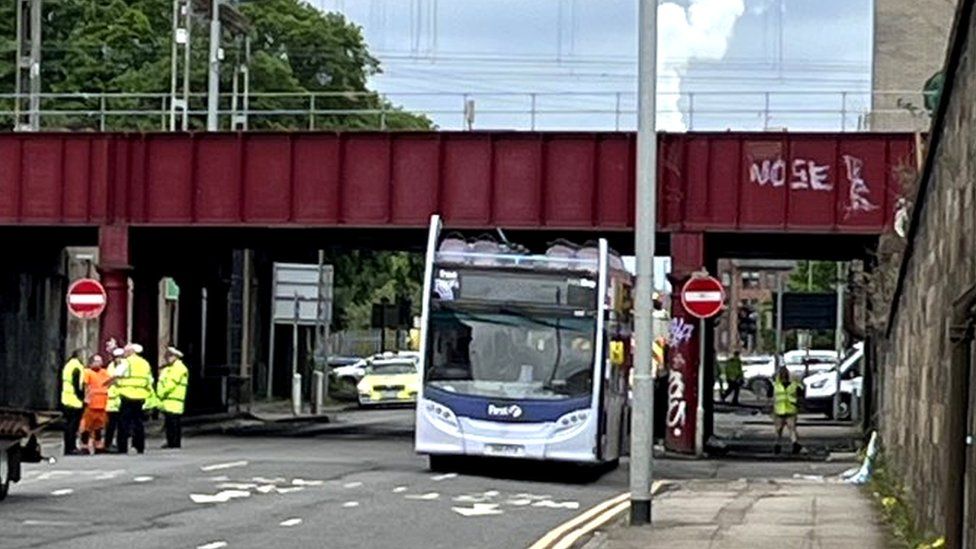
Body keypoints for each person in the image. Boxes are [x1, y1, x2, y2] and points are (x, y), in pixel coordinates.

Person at [110, 343, 153, 454]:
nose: (124, 353)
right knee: (138, 422)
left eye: (125, 351)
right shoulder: (145, 363)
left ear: (130, 352)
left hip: (126, 395)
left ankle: (122, 447)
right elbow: (149, 379)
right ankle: (139, 446)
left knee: (124, 423)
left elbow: (116, 375)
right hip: (140, 395)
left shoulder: (126, 362)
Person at [157, 347, 189, 449]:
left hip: (174, 400)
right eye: (167, 356)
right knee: (169, 423)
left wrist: (160, 393)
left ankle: (174, 443)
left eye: (170, 356)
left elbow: (170, 384)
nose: (168, 358)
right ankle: (171, 441)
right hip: (168, 400)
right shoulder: (169, 369)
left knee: (174, 423)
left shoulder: (179, 368)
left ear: (176, 357)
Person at [80, 354, 110, 454]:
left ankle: (98, 445)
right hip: (91, 404)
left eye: (100, 361)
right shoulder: (87, 372)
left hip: (102, 403)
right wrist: (86, 398)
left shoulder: (105, 372)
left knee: (99, 426)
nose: (99, 363)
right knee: (87, 426)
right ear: (91, 362)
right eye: (96, 361)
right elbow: (86, 386)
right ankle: (84, 446)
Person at [772, 365, 804, 455]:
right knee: (784, 429)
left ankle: (791, 445)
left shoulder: (779, 386)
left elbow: (801, 393)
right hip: (782, 410)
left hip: (788, 410)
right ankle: (780, 445)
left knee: (785, 429)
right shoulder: (777, 385)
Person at [60, 350, 86, 455]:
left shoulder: (68, 365)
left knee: (68, 425)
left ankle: (68, 447)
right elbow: (77, 385)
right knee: (73, 426)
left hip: (66, 398)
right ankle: (71, 447)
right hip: (74, 400)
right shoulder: (77, 367)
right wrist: (81, 398)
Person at [104, 346, 125, 451]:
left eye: (121, 357)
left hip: (121, 398)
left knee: (122, 425)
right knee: (110, 425)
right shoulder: (110, 367)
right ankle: (108, 444)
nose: (119, 359)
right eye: (117, 357)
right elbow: (107, 380)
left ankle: (120, 445)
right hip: (111, 400)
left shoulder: (125, 367)